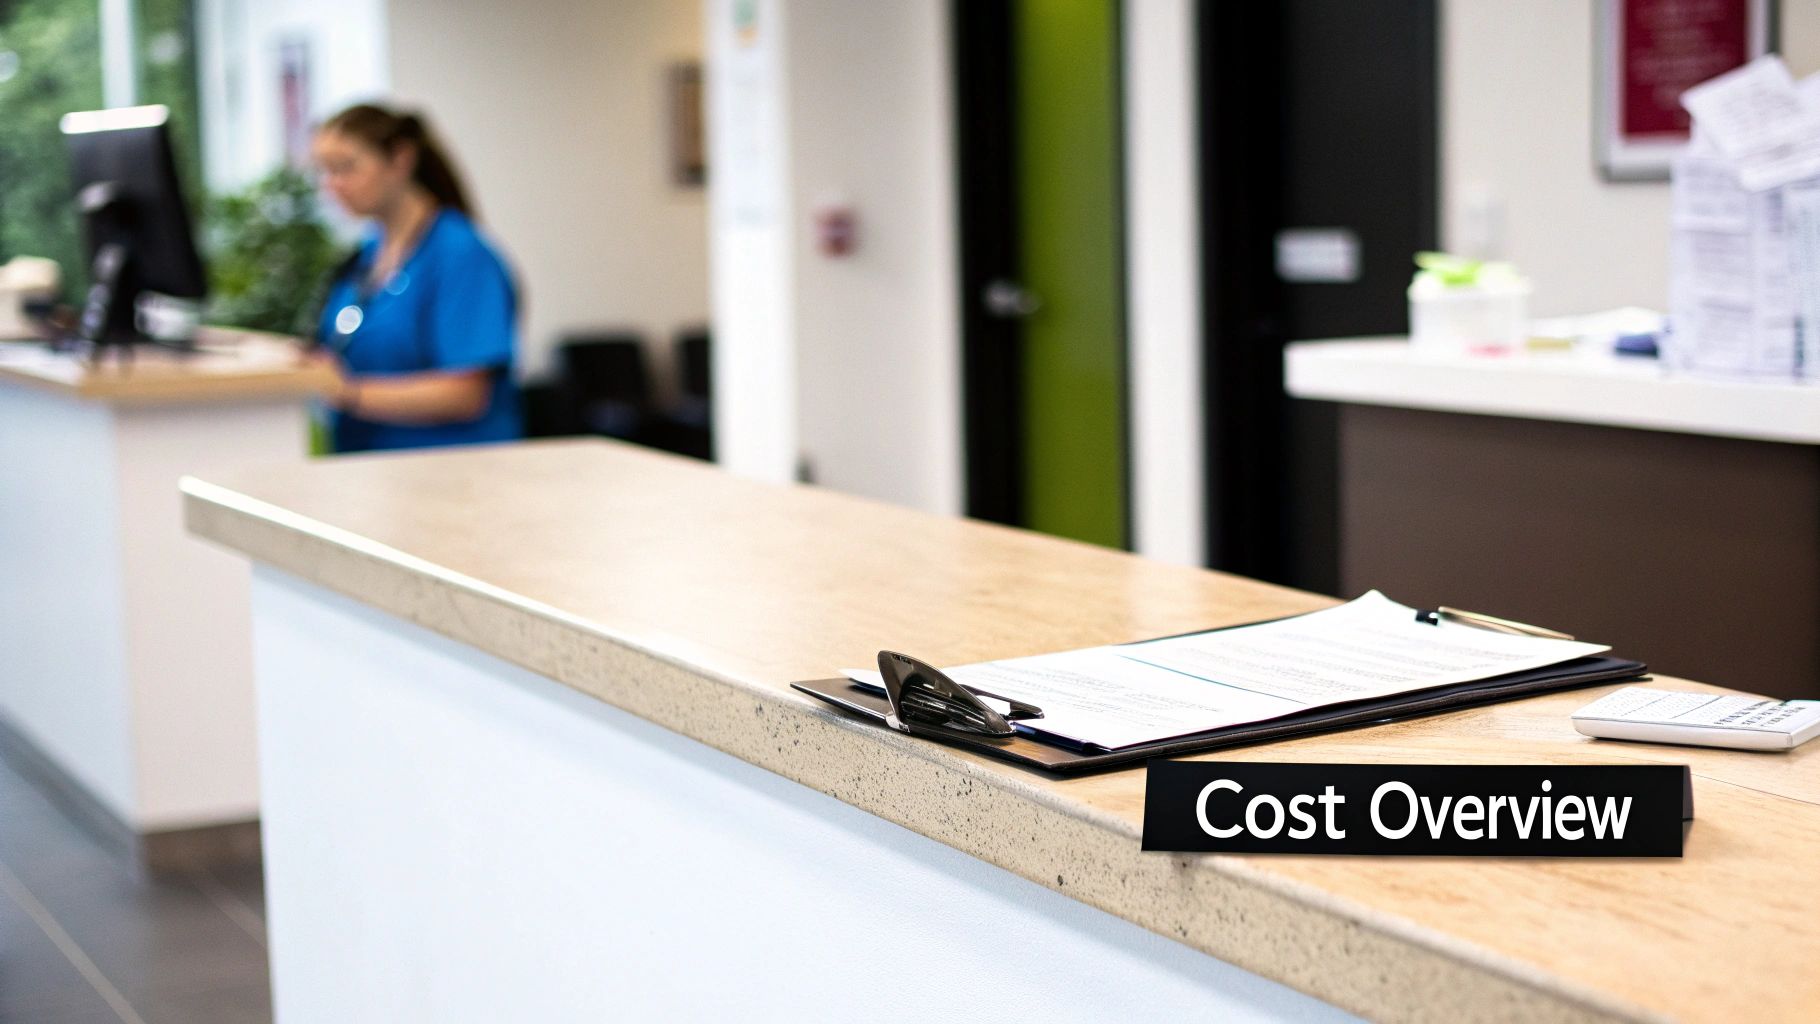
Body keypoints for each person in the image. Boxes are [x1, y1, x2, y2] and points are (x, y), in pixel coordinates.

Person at [307, 103, 522, 452]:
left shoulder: (459, 254)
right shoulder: (366, 254)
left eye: (346, 167)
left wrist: (346, 393)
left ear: (400, 159)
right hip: (367, 469)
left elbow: (465, 395)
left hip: (447, 474)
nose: (333, 185)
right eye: (324, 171)